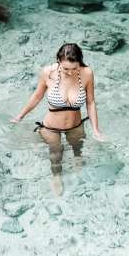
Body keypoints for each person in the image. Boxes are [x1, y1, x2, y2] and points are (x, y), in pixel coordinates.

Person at [11, 43, 103, 194]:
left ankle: (77, 158)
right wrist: (20, 116)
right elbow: (37, 96)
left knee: (77, 145)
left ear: (80, 63)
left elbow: (90, 102)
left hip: (75, 124)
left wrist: (96, 130)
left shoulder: (87, 73)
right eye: (65, 68)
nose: (70, 72)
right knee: (55, 152)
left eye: (74, 68)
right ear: (58, 61)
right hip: (51, 126)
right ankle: (56, 176)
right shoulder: (47, 72)